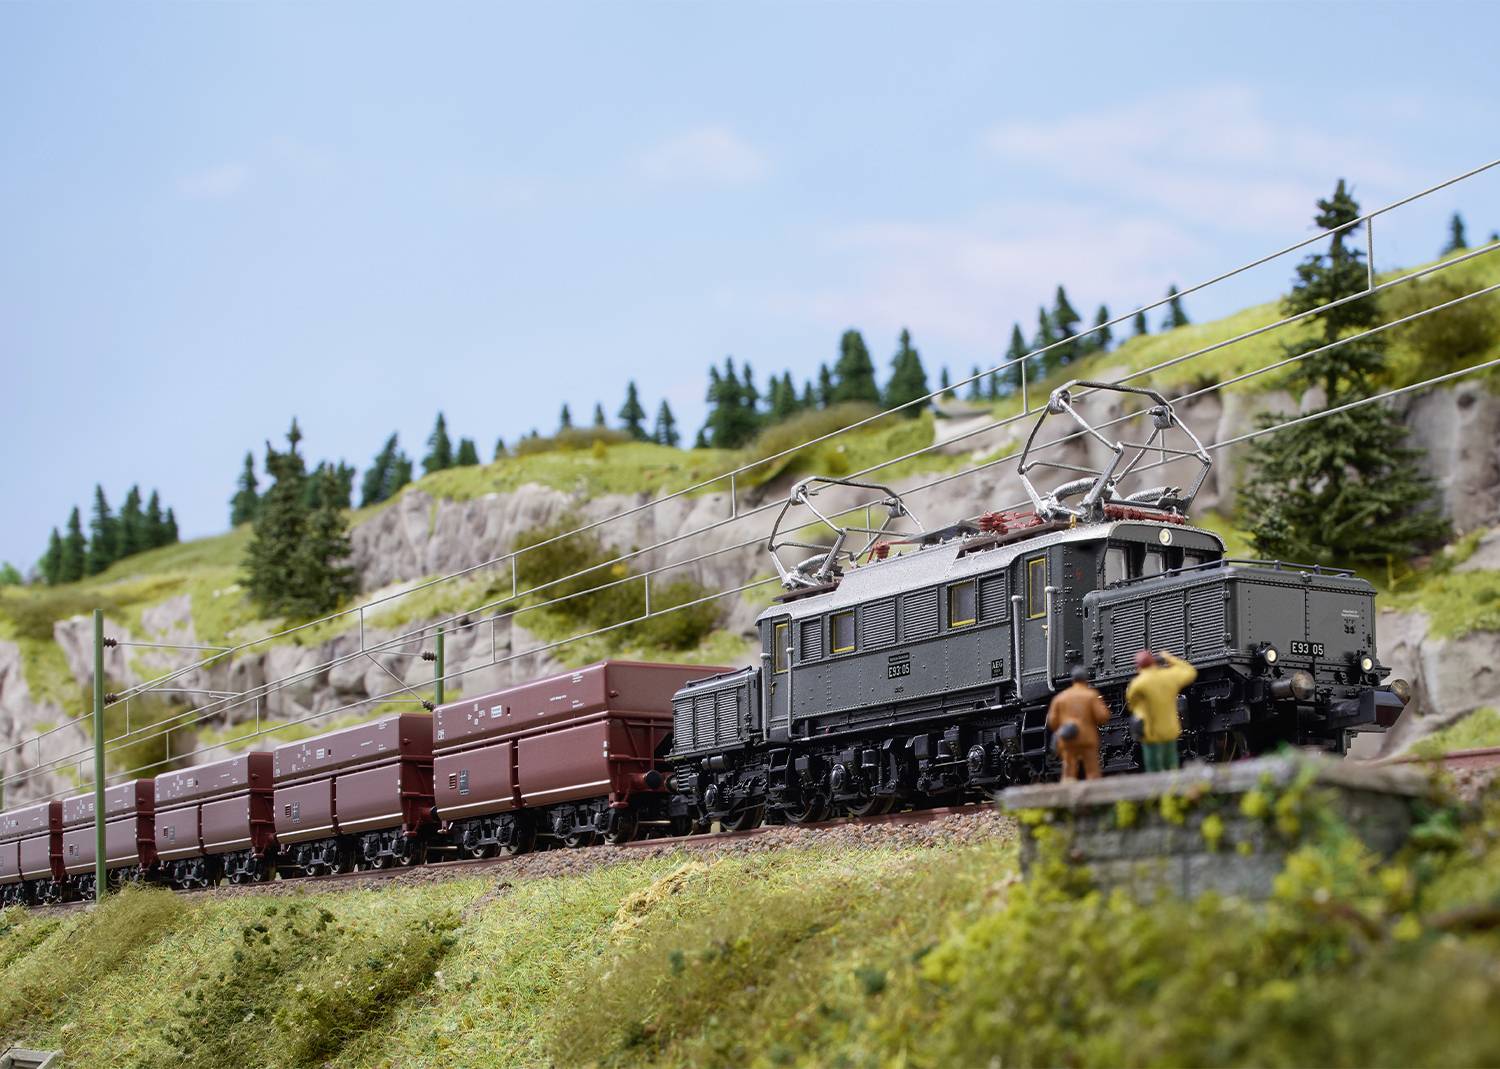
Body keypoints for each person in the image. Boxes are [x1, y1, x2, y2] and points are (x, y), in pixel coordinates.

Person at [1126, 649, 1198, 773]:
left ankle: (1157, 791)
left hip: (1151, 732)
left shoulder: (1138, 684)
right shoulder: (1169, 677)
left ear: (1139, 666)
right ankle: (1173, 790)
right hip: (1169, 729)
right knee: (1171, 764)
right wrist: (1170, 658)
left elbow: (1132, 703)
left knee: (1153, 767)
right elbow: (1190, 671)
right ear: (1153, 663)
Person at [1046, 664, 1112, 781]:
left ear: (1073, 679)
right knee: (1092, 771)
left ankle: (1069, 795)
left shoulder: (1060, 698)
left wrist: (1062, 728)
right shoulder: (1091, 696)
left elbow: (1052, 721)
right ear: (1085, 679)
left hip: (1067, 740)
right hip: (1087, 739)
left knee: (1069, 770)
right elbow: (1103, 716)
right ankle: (1093, 796)